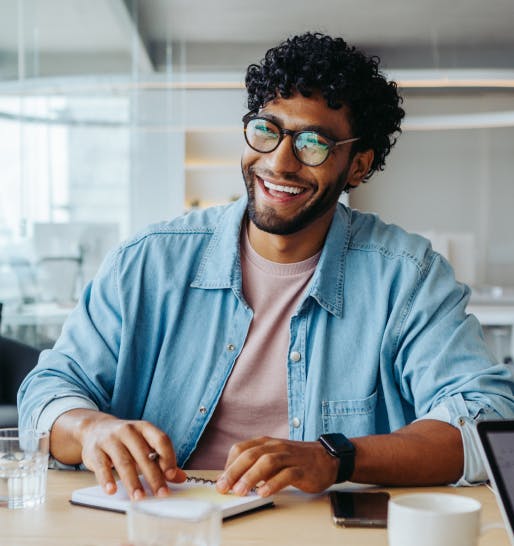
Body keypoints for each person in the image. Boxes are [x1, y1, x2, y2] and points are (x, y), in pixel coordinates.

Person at [18, 32, 514, 502]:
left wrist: (336, 457)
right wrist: (91, 428)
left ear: (359, 165)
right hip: (162, 520)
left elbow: (488, 418)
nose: (279, 163)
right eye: (266, 131)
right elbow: (47, 392)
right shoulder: (148, 262)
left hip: (321, 530)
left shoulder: (408, 277)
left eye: (313, 143)